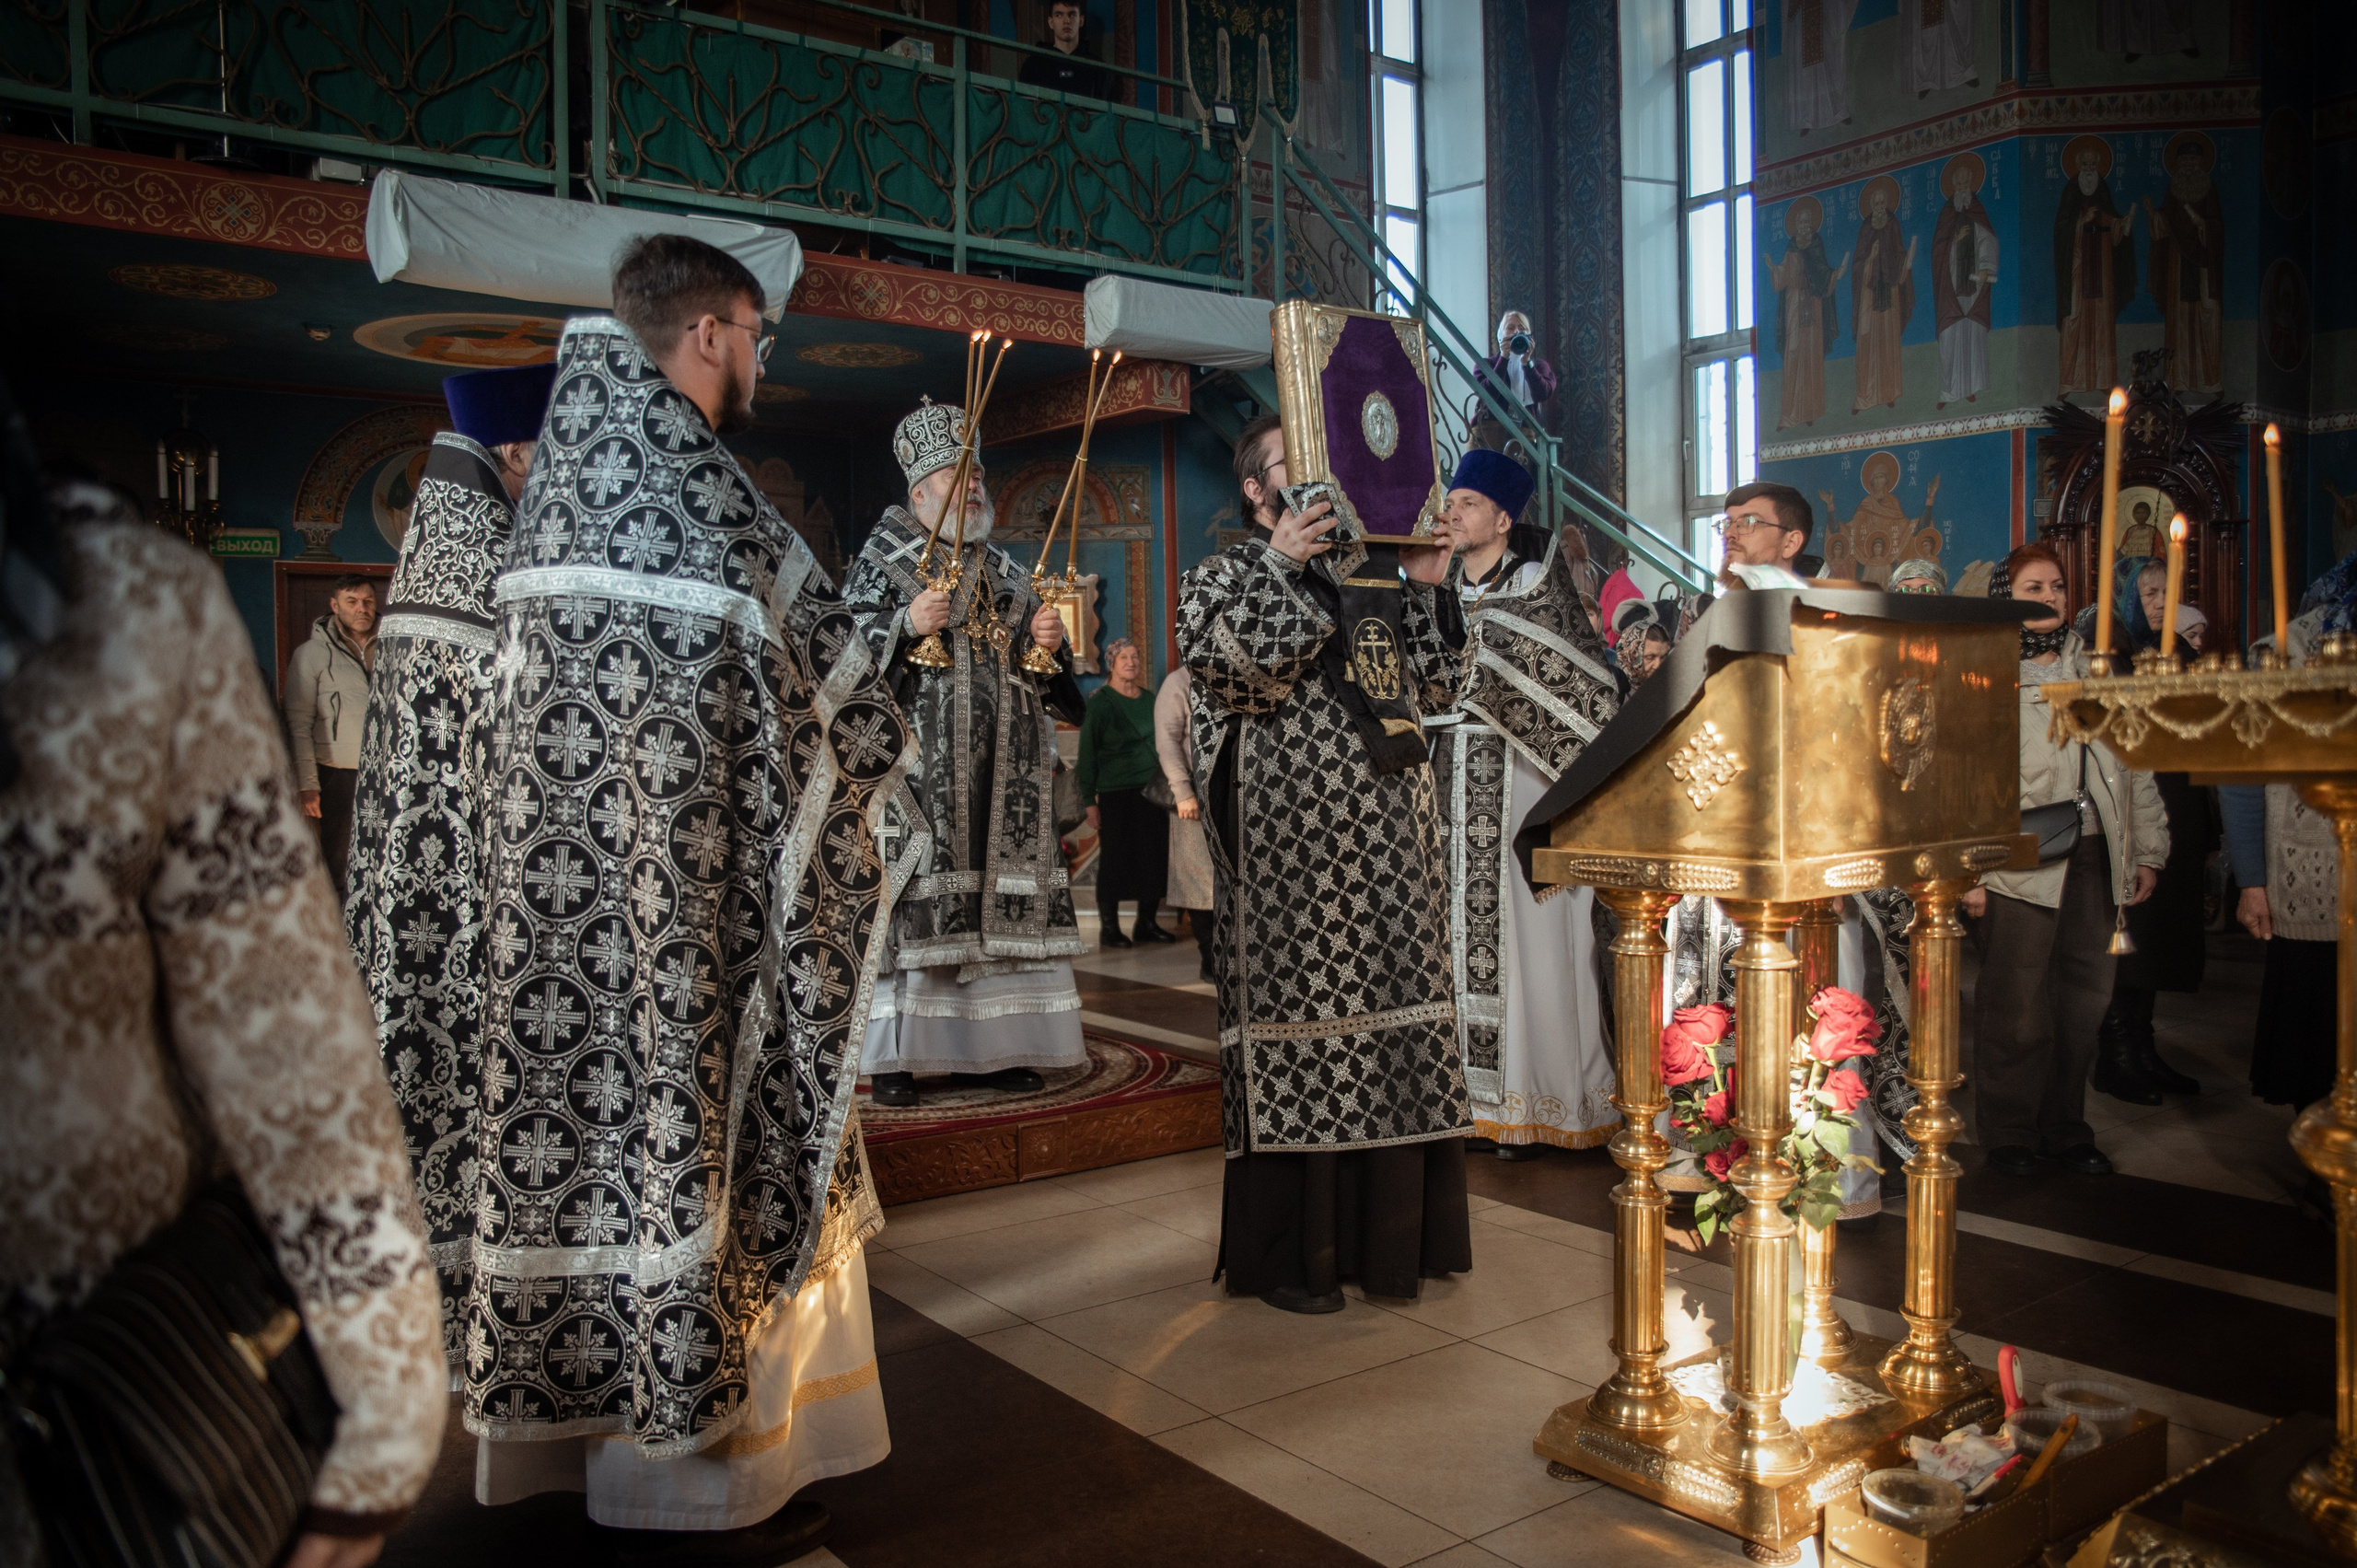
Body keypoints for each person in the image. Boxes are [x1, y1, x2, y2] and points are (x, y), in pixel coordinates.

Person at [466, 235, 903, 1559]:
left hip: (560, 937)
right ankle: (706, 1488)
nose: (762, 360)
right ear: (708, 331)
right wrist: (889, 724)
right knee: (705, 1154)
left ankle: (570, 1461)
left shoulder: (558, 497)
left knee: (581, 1164)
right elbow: (831, 709)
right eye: (757, 333)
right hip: (694, 932)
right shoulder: (706, 500)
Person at [1, 451, 445, 1568]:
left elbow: (284, 1035)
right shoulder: (294, 655)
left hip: (93, 1377)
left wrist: (383, 1412)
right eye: (349, 590)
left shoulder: (126, 603)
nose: (359, 602)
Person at [1178, 412, 1474, 1314]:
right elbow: (1232, 675)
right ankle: (1295, 1256)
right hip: (1293, 863)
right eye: (1292, 471)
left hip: (1393, 855)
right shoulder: (1225, 573)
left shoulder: (1376, 574)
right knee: (1307, 1038)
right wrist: (1282, 564)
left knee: (1393, 1036)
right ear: (1258, 493)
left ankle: (1393, 1250)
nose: (1321, 490)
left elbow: (1439, 689)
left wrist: (1427, 584)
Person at [343, 361, 553, 1367]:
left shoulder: (440, 546)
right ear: (515, 452)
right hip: (461, 895)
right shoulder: (484, 568)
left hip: (412, 888)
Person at [844, 398, 1089, 1110]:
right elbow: (834, 666)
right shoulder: (884, 562)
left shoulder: (1006, 569)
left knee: (995, 917)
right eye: (958, 474)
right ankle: (897, 1057)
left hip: (1002, 785)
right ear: (919, 491)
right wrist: (901, 623)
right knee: (914, 915)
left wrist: (1049, 642)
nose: (974, 484)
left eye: (977, 471)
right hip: (919, 781)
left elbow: (1048, 678)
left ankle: (993, 1051)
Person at [1426, 449, 1619, 1161]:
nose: (1453, 512)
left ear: (1504, 519)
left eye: (1469, 503)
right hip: (1455, 787)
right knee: (1460, 940)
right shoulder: (1438, 591)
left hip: (1526, 789)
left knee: (1534, 944)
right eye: (1451, 501)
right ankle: (1477, 1102)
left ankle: (1546, 1101)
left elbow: (1589, 692)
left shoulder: (1539, 587)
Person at [1965, 543, 2166, 1179]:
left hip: (2096, 852)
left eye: (2055, 586)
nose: (2047, 596)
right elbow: (1966, 779)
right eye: (2031, 585)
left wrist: (2148, 848)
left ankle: (2065, 1125)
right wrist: (1967, 873)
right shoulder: (1984, 672)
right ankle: (2009, 1131)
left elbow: (2136, 764)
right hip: (2017, 858)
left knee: (2084, 999)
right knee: (2017, 1005)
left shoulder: (2099, 669)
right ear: (2007, 595)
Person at [2222, 551, 2353, 1126]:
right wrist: (2251, 878)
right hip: (2314, 872)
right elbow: (2245, 778)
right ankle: (2325, 1177)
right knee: (2319, 1039)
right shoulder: (2288, 649)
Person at [285, 571, 377, 891]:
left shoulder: (394, 649)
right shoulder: (311, 655)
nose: (361, 608)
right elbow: (298, 723)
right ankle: (339, 936)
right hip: (338, 775)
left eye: (367, 601)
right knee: (338, 863)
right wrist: (308, 784)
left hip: (387, 771)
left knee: (383, 858)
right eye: (351, 601)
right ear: (334, 606)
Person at [1079, 636, 1170, 947]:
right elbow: (1087, 754)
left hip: (1152, 792)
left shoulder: (1149, 700)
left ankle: (1146, 923)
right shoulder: (1101, 702)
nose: (1131, 662)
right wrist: (1088, 801)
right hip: (1116, 793)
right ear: (1112, 664)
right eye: (1124, 658)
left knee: (1154, 857)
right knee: (1115, 861)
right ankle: (1109, 928)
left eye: (1135, 657)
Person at [2055, 136, 2138, 397]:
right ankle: (2070, 381)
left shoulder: (2101, 191)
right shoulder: (2070, 193)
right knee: (2074, 320)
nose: (2089, 169)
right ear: (2078, 166)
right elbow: (2061, 231)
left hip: (2102, 271)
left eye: (2093, 164)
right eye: (2085, 164)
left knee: (2102, 323)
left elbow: (2113, 227)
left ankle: (2104, 379)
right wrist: (2080, 224)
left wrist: (2122, 225)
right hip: (2078, 270)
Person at [1155, 662, 1217, 981]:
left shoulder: (1228, 676)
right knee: (1198, 883)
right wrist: (1182, 791)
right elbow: (1167, 741)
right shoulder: (1178, 682)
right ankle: (1210, 958)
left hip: (1230, 794)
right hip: (1193, 794)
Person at [1932, 154, 1999, 409]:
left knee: (1972, 332)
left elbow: (1988, 240)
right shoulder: (1947, 212)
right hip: (1950, 285)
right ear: (1953, 185)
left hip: (1973, 286)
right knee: (1950, 334)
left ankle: (1971, 386)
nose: (1961, 186)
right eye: (1957, 183)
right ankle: (1948, 392)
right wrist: (1954, 240)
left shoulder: (1976, 210)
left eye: (1965, 182)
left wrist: (1985, 268)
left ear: (1971, 183)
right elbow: (1937, 249)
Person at [1851, 176, 1916, 413]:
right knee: (1866, 340)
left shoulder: (1893, 224)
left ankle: (1888, 393)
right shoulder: (1866, 228)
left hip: (1889, 291)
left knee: (1888, 340)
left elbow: (1899, 252)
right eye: (1875, 203)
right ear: (1871, 206)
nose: (1879, 207)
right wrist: (1869, 258)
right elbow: (1856, 265)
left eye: (1882, 203)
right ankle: (1864, 396)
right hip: (1869, 293)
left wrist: (1905, 260)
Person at [1717, 481, 1823, 576]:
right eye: (1727, 524)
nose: (1729, 533)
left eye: (1749, 522)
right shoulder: (1720, 598)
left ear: (1790, 543)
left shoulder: (1820, 598)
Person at [1018, 0, 1116, 100]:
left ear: (1081, 20)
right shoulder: (1033, 65)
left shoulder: (1098, 68)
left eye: (1072, 15)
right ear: (1051, 22)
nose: (1066, 21)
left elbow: (1106, 112)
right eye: (1059, 15)